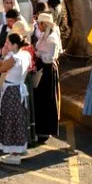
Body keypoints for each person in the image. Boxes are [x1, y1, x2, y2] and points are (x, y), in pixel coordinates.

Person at [0, 33, 31, 165]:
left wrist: (2, 55)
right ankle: (19, 148)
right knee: (18, 119)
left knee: (11, 120)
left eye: (8, 43)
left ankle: (15, 153)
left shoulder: (13, 58)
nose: (6, 45)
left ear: (15, 45)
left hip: (11, 91)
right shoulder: (26, 55)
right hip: (18, 89)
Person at [32, 12, 63, 143]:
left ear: (44, 24)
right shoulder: (46, 35)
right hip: (44, 70)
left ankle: (44, 130)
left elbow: (48, 58)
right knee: (41, 100)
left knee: (46, 100)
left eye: (39, 23)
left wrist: (37, 53)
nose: (38, 26)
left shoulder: (51, 38)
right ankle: (41, 129)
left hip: (47, 72)